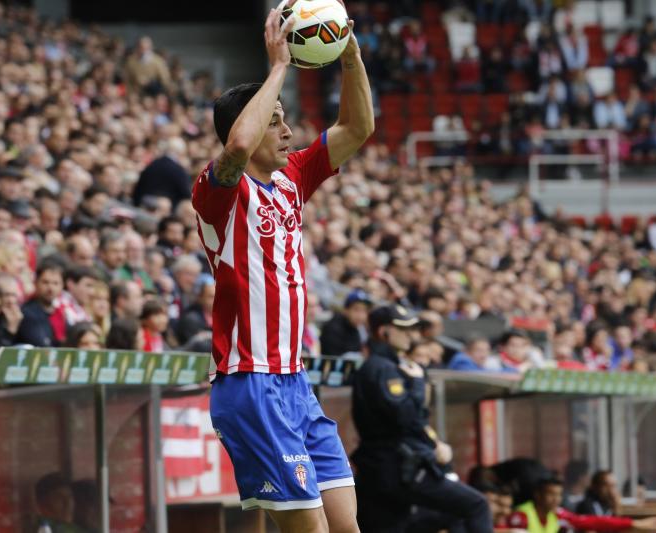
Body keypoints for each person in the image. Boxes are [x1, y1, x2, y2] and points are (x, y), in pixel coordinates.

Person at [196, 4, 373, 531]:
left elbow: (359, 126)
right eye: (275, 120)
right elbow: (239, 145)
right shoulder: (217, 190)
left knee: (345, 526)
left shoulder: (294, 176)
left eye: (284, 118)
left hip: (295, 381)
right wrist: (278, 68)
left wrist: (350, 53)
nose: (288, 130)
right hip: (249, 382)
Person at [351, 304, 492, 533]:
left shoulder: (388, 366)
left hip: (383, 469)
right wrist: (417, 385)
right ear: (383, 332)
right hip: (396, 468)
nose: (410, 334)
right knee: (476, 505)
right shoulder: (382, 368)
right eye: (402, 328)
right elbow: (405, 417)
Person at [507, 477, 656, 532]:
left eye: (559, 495)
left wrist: (635, 523)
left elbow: (591, 521)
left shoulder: (557, 514)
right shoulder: (520, 516)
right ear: (538, 495)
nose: (556, 499)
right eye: (550, 494)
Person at [16, 262, 66, 347]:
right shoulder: (27, 313)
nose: (51, 288)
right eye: (45, 282)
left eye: (56, 283)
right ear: (35, 283)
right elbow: (41, 345)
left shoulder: (61, 313)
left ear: (62, 286)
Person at [320, 289, 372, 356]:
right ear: (346, 310)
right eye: (356, 309)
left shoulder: (360, 329)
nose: (361, 316)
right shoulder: (333, 328)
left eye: (364, 311)